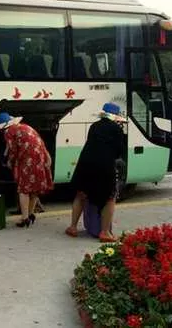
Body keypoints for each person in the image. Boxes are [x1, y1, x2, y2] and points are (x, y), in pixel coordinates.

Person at [65, 102, 126, 242]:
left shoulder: (94, 126)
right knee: (109, 197)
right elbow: (119, 152)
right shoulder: (117, 129)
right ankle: (105, 232)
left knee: (81, 194)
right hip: (104, 165)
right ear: (115, 116)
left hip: (85, 163)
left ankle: (73, 227)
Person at [0, 112, 54, 228]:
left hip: (28, 158)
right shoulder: (25, 126)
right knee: (34, 189)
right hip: (39, 156)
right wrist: (47, 155)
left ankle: (24, 218)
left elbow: (13, 150)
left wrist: (9, 161)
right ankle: (31, 214)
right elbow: (39, 140)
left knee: (23, 189)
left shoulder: (9, 132)